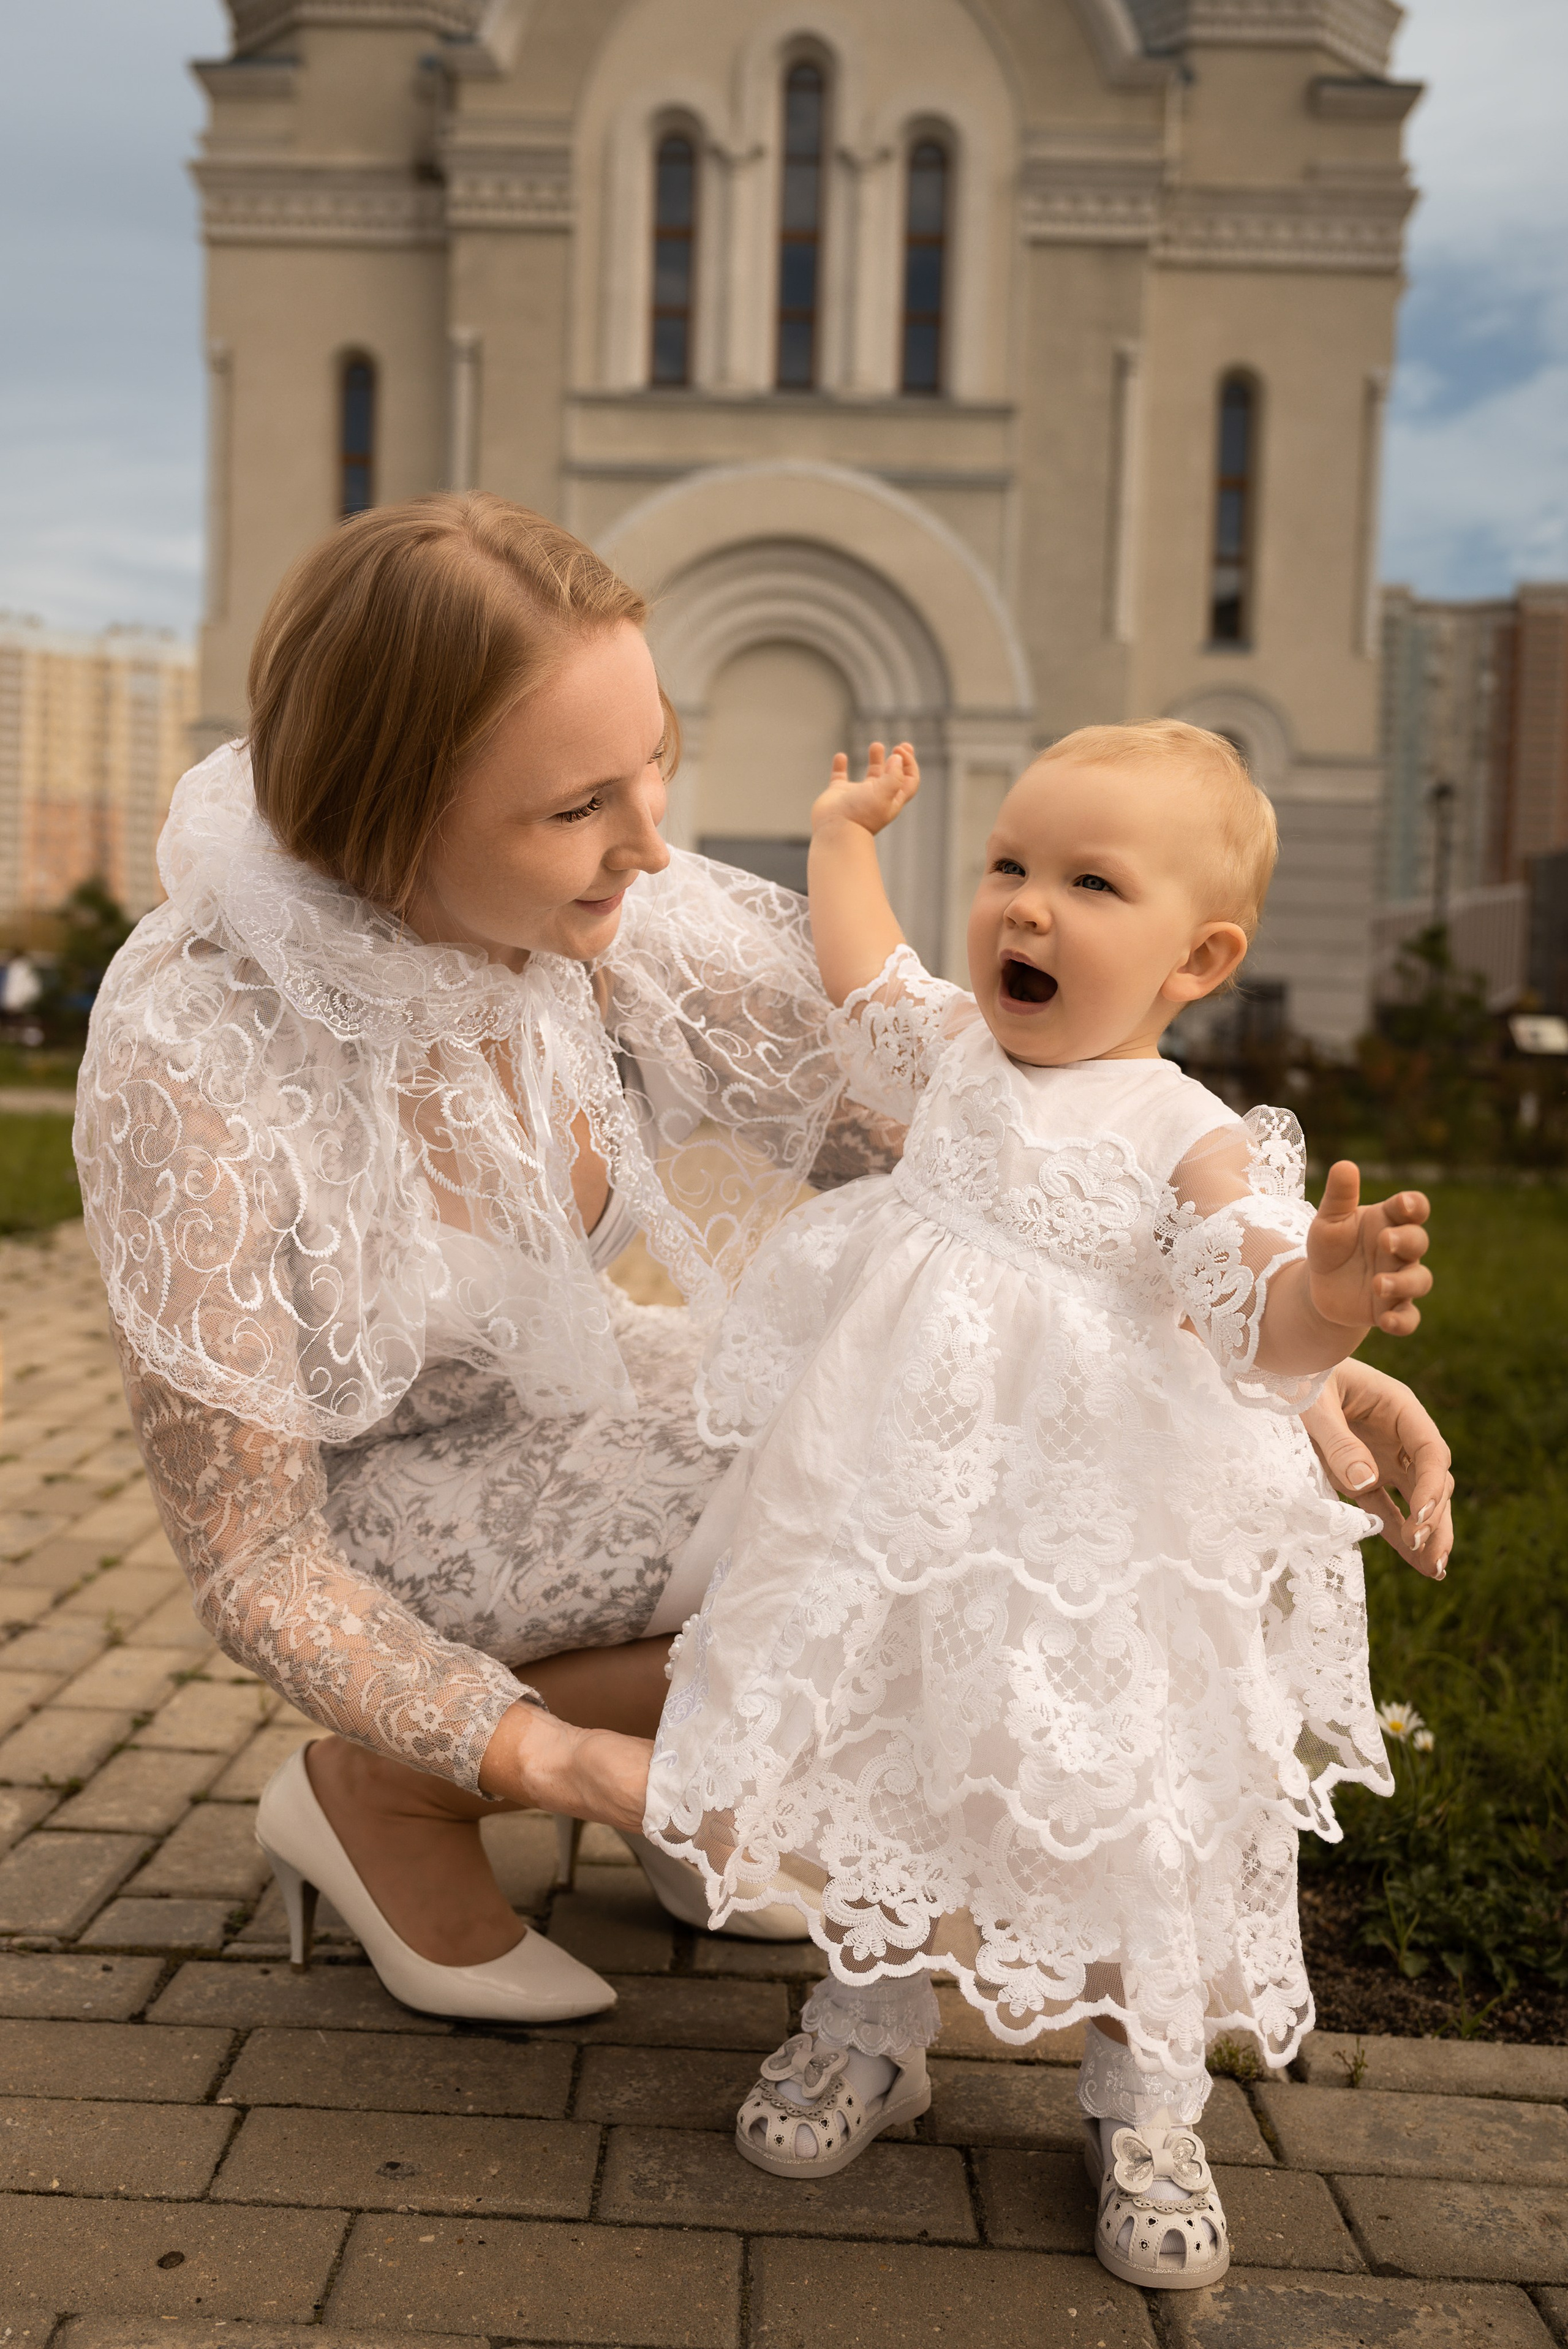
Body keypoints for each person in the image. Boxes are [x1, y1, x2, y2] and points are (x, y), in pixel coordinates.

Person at [75, 494, 1452, 2040]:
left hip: (583, 1399)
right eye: (576, 806)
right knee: (881, 1547)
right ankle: (381, 1791)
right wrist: (555, 1761)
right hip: (368, 1505)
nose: (651, 842)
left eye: (653, 756)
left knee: (1034, 1456)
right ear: (393, 814)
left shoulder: (629, 914)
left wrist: (1296, 1359)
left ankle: (698, 1794)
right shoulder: (194, 1043)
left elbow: (987, 1150)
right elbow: (255, 1562)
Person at [646, 721, 1444, 2288]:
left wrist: (1326, 1307)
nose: (1025, 906)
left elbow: (1245, 1305)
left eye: (1087, 881)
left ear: (1194, 955)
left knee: (1116, 1783)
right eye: (1008, 864)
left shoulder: (1179, 1129)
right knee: (891, 1738)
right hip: (905, 1505)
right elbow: (862, 973)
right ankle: (869, 2016)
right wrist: (840, 833)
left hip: (1090, 1540)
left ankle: (1143, 2088)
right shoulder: (953, 1050)